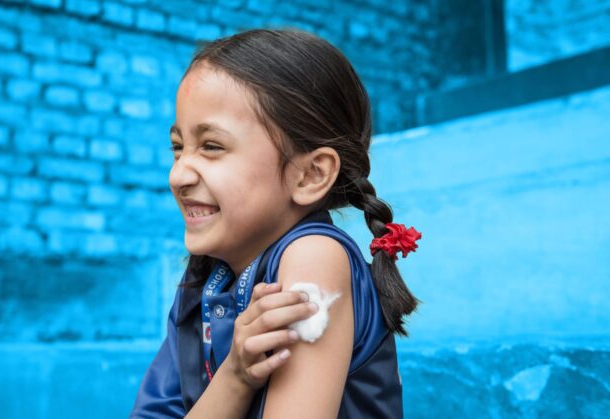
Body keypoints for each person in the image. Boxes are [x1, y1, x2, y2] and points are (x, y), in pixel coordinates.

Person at [130, 28, 422, 419]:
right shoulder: (203, 280)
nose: (178, 175)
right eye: (178, 148)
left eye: (212, 146)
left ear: (311, 175)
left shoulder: (314, 258)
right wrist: (235, 378)